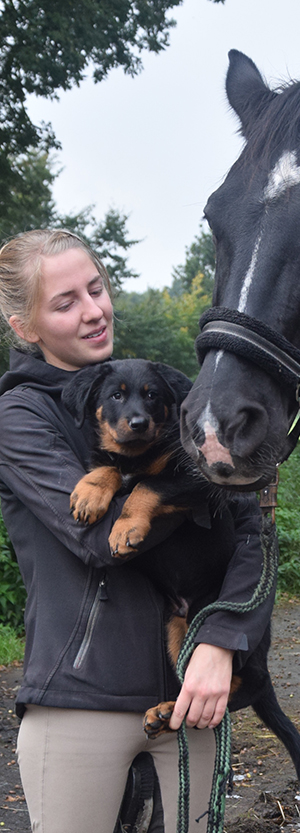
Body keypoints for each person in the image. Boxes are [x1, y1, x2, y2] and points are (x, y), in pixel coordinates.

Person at [0, 229, 274, 833]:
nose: (94, 310)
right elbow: (96, 543)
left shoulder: (169, 397)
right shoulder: (19, 417)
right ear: (25, 327)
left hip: (189, 701)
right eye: (65, 301)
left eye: (96, 288)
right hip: (79, 706)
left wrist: (223, 639)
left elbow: (252, 532)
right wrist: (201, 488)